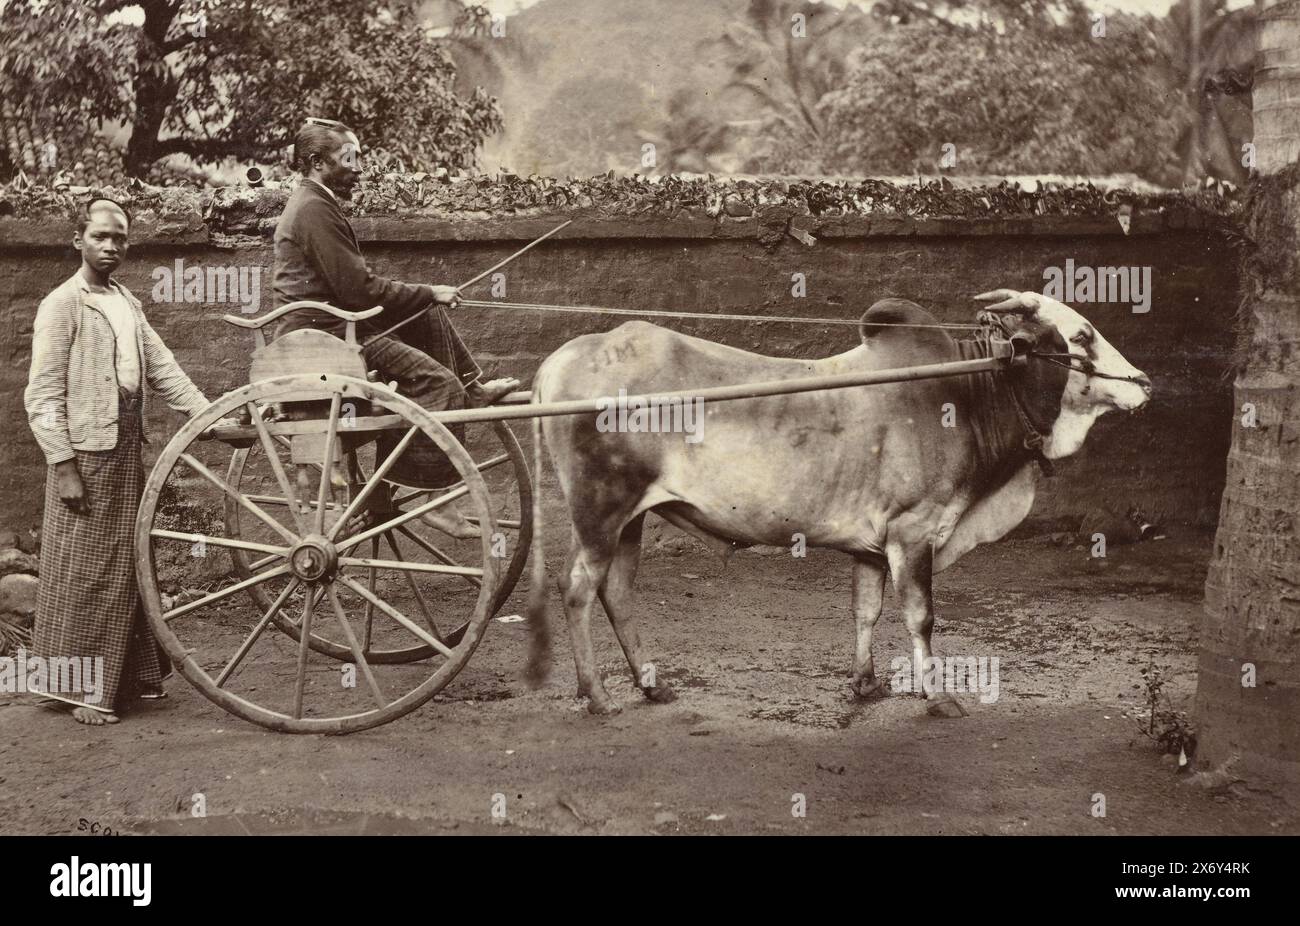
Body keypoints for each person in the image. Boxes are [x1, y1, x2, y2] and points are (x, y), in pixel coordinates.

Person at [272, 117, 519, 537]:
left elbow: (354, 288)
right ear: (317, 162)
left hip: (336, 326)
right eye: (349, 159)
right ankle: (430, 500)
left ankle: (470, 390)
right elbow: (358, 290)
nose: (360, 167)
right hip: (325, 337)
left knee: (427, 312)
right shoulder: (313, 208)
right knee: (438, 386)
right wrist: (428, 289)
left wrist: (426, 296)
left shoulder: (318, 202)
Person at [24, 198, 216, 725]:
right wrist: (62, 465)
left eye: (120, 238)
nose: (111, 246)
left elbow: (164, 369)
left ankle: (131, 679)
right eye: (100, 237)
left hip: (127, 449)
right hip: (84, 456)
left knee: (127, 566)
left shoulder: (127, 301)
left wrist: (212, 419)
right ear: (77, 240)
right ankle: (83, 691)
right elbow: (40, 396)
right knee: (85, 573)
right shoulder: (62, 304)